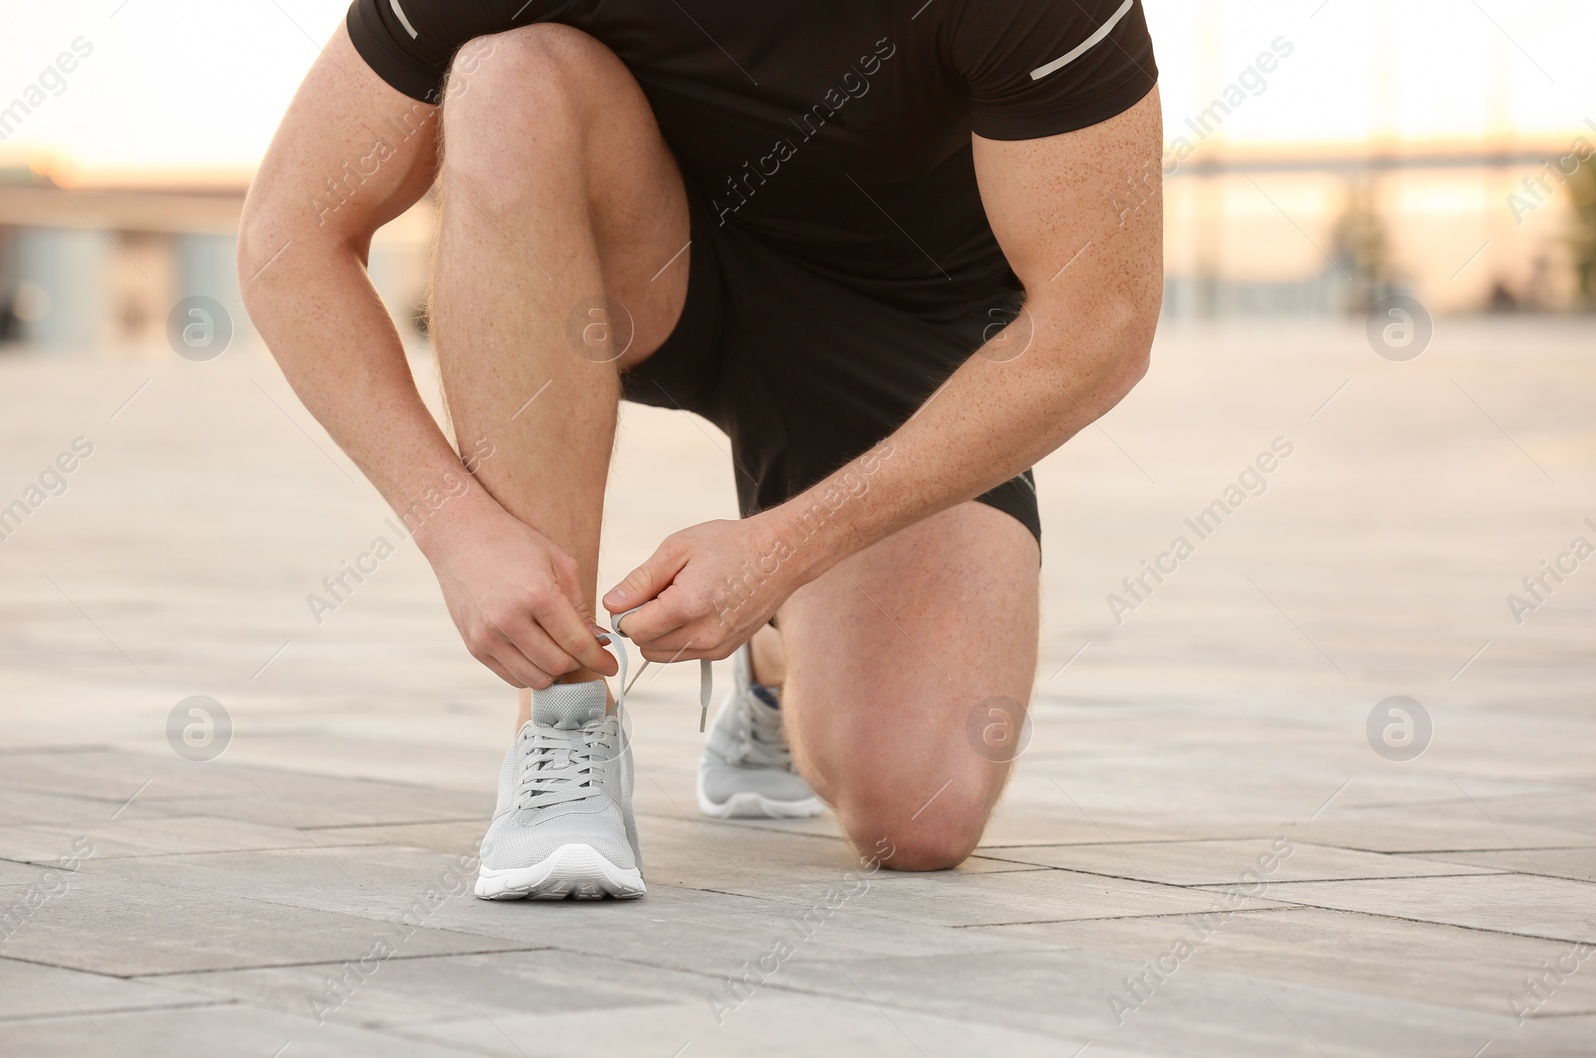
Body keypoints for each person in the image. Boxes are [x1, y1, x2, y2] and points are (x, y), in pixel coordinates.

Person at [239, 0, 1163, 897]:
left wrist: (781, 553)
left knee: (917, 813)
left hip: (908, 323)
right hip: (652, 261)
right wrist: (453, 524)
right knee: (508, 78)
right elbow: (290, 232)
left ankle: (771, 649)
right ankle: (562, 724)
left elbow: (1101, 327)